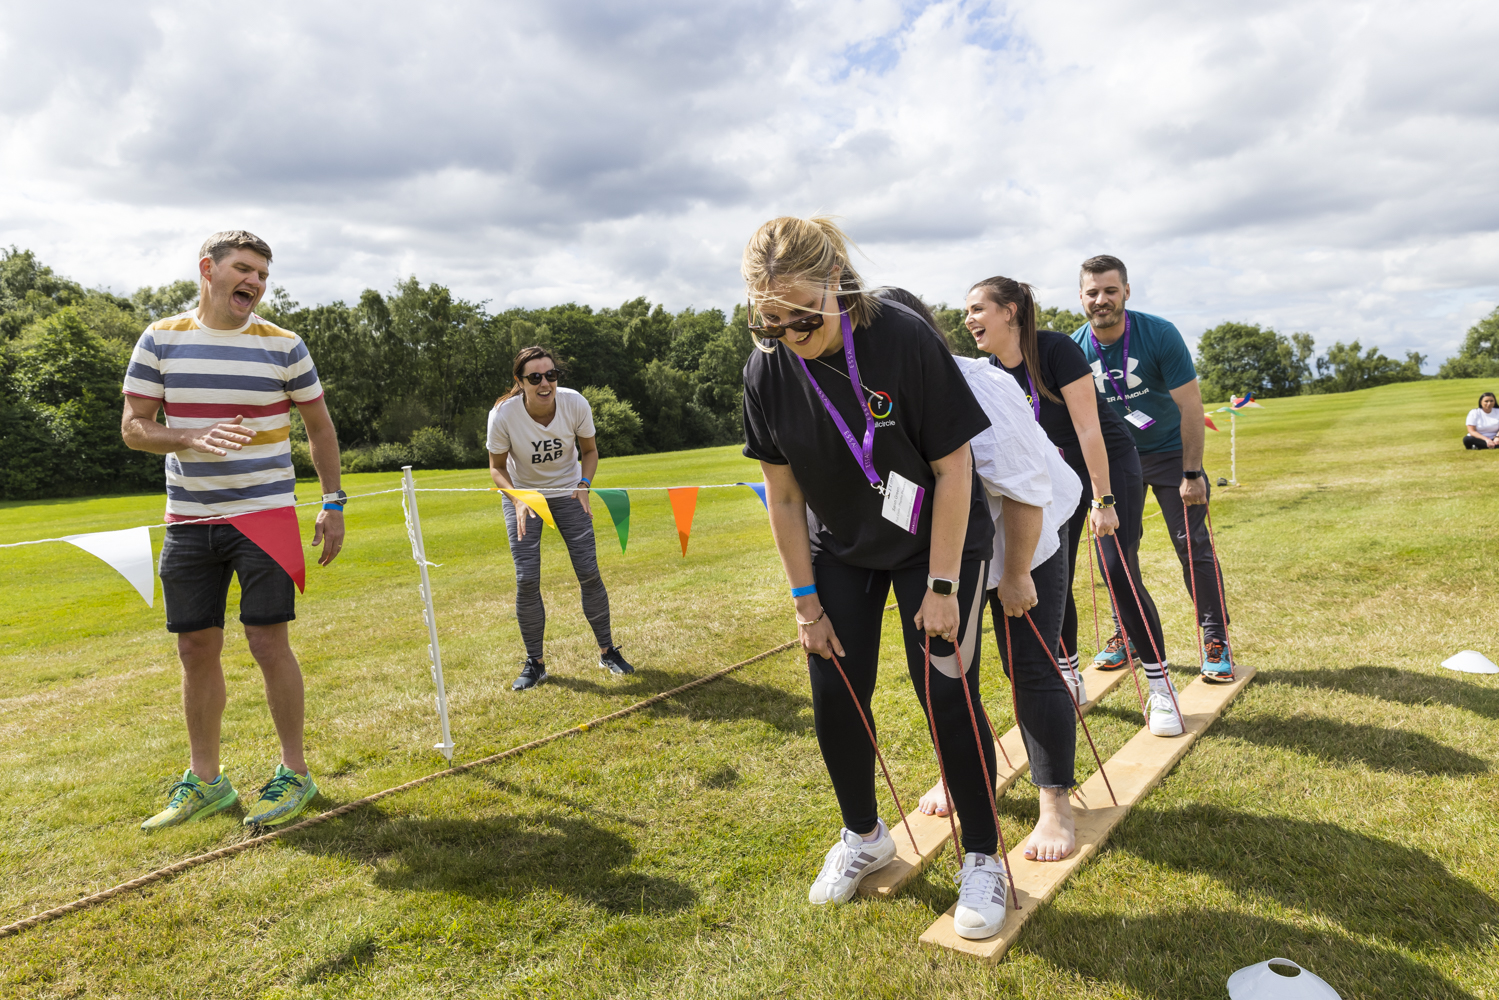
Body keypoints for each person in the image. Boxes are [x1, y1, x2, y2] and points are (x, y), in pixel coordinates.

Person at [742, 216, 1008, 940]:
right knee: (834, 690)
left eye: (804, 315)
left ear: (837, 282)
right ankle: (864, 836)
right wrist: (805, 604)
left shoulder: (901, 336)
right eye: (771, 322)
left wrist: (944, 587)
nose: (791, 334)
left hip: (936, 544)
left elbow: (954, 468)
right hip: (841, 545)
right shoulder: (767, 367)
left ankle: (982, 856)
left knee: (945, 692)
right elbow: (784, 497)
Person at [121, 230, 343, 831]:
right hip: (189, 518)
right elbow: (135, 428)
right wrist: (189, 436)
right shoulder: (160, 338)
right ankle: (207, 782)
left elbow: (320, 428)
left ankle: (294, 772)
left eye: (263, 274)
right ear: (208, 269)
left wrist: (333, 501)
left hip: (266, 514)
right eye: (244, 269)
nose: (255, 282)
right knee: (194, 648)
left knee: (269, 642)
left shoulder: (284, 345)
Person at [964, 276, 1181, 736]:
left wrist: (1103, 498)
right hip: (1052, 478)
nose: (969, 320)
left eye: (978, 309)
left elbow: (1088, 429)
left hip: (1105, 465)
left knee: (1117, 570)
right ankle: (1068, 676)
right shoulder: (990, 371)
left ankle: (1161, 688)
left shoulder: (1055, 349)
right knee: (1050, 568)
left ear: (1009, 312)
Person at [1071, 255, 1234, 682]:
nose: (1101, 300)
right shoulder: (1074, 349)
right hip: (1115, 460)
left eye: (1110, 290)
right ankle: (1126, 633)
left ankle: (1215, 638)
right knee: (1115, 553)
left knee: (1192, 546)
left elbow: (1191, 406)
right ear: (1081, 298)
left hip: (1168, 452)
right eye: (1092, 292)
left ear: (1126, 291)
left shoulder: (1159, 334)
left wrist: (1192, 473)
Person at [488, 346, 633, 690]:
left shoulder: (575, 403)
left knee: (588, 571)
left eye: (551, 375)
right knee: (526, 579)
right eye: (535, 377)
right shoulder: (503, 415)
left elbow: (590, 451)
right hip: (525, 497)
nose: (545, 383)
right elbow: (496, 468)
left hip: (569, 492)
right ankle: (535, 663)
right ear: (520, 381)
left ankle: (608, 651)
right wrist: (518, 498)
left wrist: (584, 485)